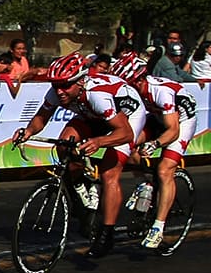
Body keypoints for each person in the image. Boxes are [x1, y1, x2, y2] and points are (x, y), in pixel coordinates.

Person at [12, 52, 147, 257]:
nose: (60, 91)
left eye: (65, 85)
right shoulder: (57, 91)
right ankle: (80, 191)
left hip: (127, 117)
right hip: (91, 115)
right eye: (55, 85)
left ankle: (106, 234)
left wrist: (99, 141)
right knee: (65, 143)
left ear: (80, 81)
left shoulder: (97, 95)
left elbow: (125, 133)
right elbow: (42, 117)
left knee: (109, 173)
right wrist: (27, 132)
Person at [109, 53, 199, 248]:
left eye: (129, 84)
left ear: (140, 80)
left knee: (165, 170)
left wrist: (154, 144)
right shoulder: (133, 91)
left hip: (181, 122)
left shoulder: (161, 92)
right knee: (129, 145)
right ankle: (145, 184)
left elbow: (173, 130)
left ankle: (158, 227)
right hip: (158, 117)